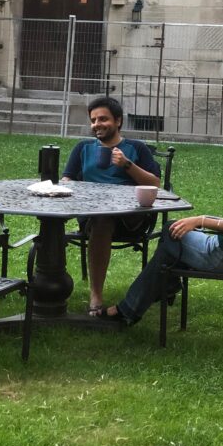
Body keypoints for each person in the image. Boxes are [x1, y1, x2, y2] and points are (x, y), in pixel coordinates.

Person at [97, 125, 223, 325]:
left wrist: (199, 220)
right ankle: (162, 286)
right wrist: (195, 223)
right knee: (175, 232)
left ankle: (129, 308)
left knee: (170, 231)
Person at [61, 95, 161, 316]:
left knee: (104, 219)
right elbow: (66, 180)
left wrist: (127, 165)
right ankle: (94, 294)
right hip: (93, 216)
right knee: (99, 220)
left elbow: (155, 184)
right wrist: (73, 187)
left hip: (130, 218)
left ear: (118, 121)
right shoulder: (83, 148)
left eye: (103, 119)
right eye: (94, 120)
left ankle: (94, 295)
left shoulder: (136, 148)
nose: (97, 124)